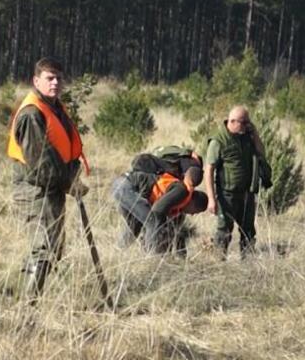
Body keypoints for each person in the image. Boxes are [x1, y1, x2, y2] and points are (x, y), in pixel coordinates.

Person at [7, 56, 89, 297]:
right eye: (49, 78)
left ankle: (26, 298)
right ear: (36, 81)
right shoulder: (32, 114)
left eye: (59, 79)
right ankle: (26, 305)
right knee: (43, 247)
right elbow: (41, 165)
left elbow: (63, 150)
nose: (55, 83)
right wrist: (69, 184)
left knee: (53, 247)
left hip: (52, 188)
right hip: (34, 188)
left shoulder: (55, 108)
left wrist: (72, 176)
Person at [204, 105, 266, 260]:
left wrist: (254, 133)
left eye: (248, 123)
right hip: (227, 194)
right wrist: (211, 199)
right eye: (243, 123)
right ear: (232, 121)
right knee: (224, 231)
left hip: (246, 193)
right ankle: (218, 261)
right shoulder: (218, 140)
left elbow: (261, 152)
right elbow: (209, 170)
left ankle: (248, 261)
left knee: (248, 230)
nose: (246, 126)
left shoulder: (247, 136)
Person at [112, 166, 207, 255]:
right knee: (152, 221)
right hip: (126, 186)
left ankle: (118, 252)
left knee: (135, 226)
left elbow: (177, 235)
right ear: (193, 203)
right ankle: (151, 259)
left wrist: (182, 257)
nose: (192, 214)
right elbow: (157, 209)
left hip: (121, 186)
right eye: (196, 211)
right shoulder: (182, 191)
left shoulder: (179, 209)